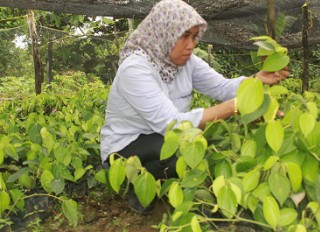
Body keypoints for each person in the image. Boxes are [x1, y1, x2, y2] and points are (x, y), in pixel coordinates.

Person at [100, 0, 289, 214]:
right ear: (164, 33)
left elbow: (222, 87)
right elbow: (173, 125)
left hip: (163, 139)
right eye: (184, 36)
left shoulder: (187, 62)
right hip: (126, 148)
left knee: (203, 142)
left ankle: (164, 184)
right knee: (183, 148)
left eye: (193, 36)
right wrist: (238, 106)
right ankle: (138, 186)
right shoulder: (135, 69)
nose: (191, 45)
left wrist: (257, 80)